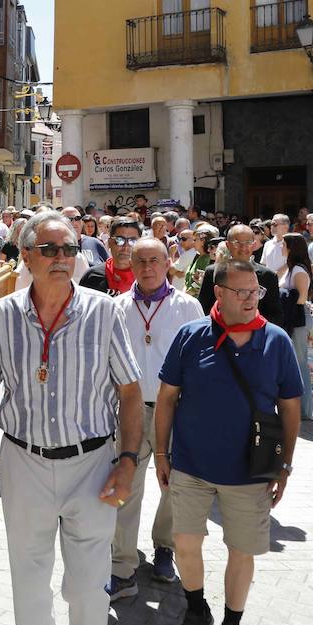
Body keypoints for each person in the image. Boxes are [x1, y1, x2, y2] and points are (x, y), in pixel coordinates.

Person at [0, 210, 143, 625]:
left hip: (92, 463)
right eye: (50, 249)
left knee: (87, 589)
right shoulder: (1, 315)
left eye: (69, 249)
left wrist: (128, 461)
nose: (62, 258)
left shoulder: (104, 312)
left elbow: (131, 392)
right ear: (27, 255)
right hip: (23, 462)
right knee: (28, 583)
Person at [154, 260, 302, 625]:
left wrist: (285, 465)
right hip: (191, 465)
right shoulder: (191, 334)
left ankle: (232, 621)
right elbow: (167, 397)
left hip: (250, 471)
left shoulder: (276, 340)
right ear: (219, 292)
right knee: (185, 544)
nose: (253, 298)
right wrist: (160, 452)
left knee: (241, 550)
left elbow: (290, 407)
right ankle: (195, 605)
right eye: (243, 292)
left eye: (257, 291)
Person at [107, 238, 204, 598]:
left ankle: (164, 546)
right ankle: (122, 563)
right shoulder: (115, 307)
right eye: (140, 261)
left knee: (173, 485)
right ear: (129, 265)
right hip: (127, 411)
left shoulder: (188, 306)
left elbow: (200, 360)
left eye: (155, 260)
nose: (147, 267)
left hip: (174, 410)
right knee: (126, 485)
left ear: (168, 264)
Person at [197, 225, 281, 329]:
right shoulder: (213, 272)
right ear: (227, 245)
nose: (243, 248)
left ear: (254, 245)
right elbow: (204, 308)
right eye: (237, 243)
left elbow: (274, 315)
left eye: (248, 243)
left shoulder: (268, 276)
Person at [279, 232, 313, 422]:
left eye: (283, 244)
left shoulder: (298, 271)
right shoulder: (290, 268)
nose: (280, 247)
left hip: (298, 319)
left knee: (300, 363)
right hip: (293, 319)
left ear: (291, 247)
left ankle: (304, 411)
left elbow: (301, 298)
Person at [79, 217, 139, 296]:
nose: (126, 247)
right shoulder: (93, 276)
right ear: (110, 243)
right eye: (119, 240)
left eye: (133, 241)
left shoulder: (147, 275)